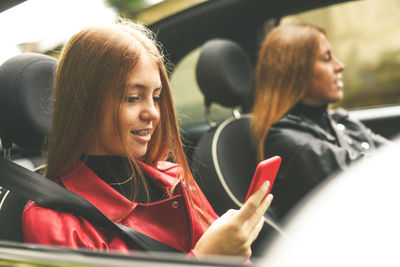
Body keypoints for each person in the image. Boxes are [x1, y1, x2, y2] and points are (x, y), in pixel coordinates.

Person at [22, 19, 273, 259]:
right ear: (85, 104)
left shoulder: (175, 179)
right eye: (133, 97)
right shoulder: (54, 220)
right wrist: (207, 258)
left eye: (156, 97)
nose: (153, 112)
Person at [251, 23, 388, 220]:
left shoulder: (341, 120)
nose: (340, 66)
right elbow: (369, 175)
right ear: (296, 74)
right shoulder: (284, 138)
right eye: (326, 58)